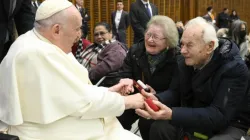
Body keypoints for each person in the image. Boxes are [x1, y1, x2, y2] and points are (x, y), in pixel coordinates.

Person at [0, 0, 144, 139]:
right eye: (76, 29)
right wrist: (128, 101)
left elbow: (74, 91)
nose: (79, 35)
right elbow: (81, 103)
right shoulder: (37, 54)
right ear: (56, 30)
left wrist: (109, 91)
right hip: (45, 132)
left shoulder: (39, 41)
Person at [134, 17, 250, 140]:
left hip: (228, 124)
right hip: (195, 112)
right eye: (182, 44)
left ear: (209, 47)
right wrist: (157, 98)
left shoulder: (234, 68)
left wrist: (172, 114)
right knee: (156, 126)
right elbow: (176, 92)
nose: (183, 51)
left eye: (189, 45)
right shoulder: (186, 61)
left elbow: (219, 116)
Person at [117, 15, 179, 140]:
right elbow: (124, 74)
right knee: (117, 114)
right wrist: (127, 83)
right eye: (148, 34)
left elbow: (177, 91)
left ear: (168, 40)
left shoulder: (177, 58)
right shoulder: (135, 51)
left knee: (147, 123)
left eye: (155, 37)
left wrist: (157, 97)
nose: (150, 40)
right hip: (137, 96)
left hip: (162, 103)